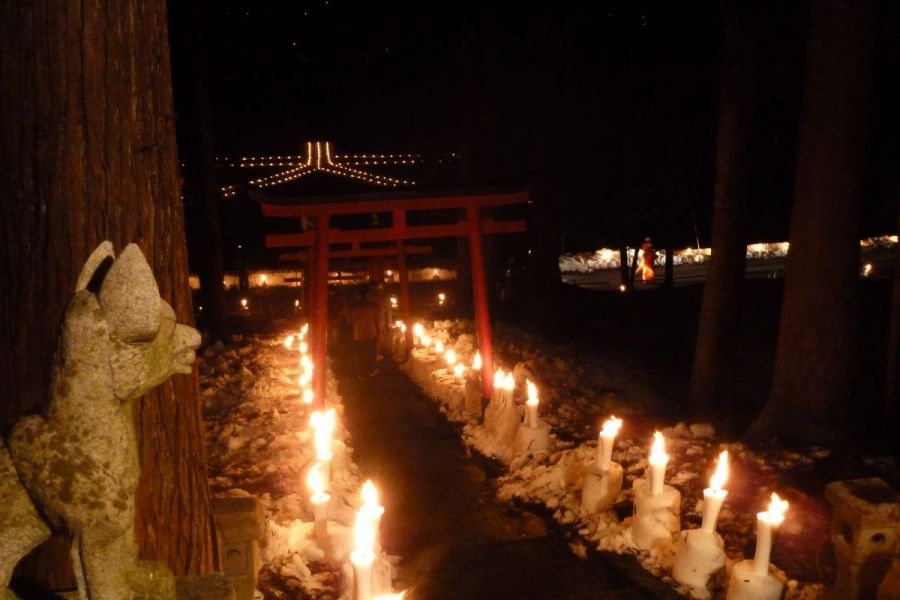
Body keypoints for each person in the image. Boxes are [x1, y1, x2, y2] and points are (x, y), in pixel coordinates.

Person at [348, 286, 380, 376]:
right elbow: (378, 317)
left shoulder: (354, 307)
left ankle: (361, 371)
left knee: (360, 353)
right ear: (368, 295)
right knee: (371, 352)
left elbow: (349, 320)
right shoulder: (373, 306)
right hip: (371, 332)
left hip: (358, 333)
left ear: (358, 295)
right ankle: (371, 370)